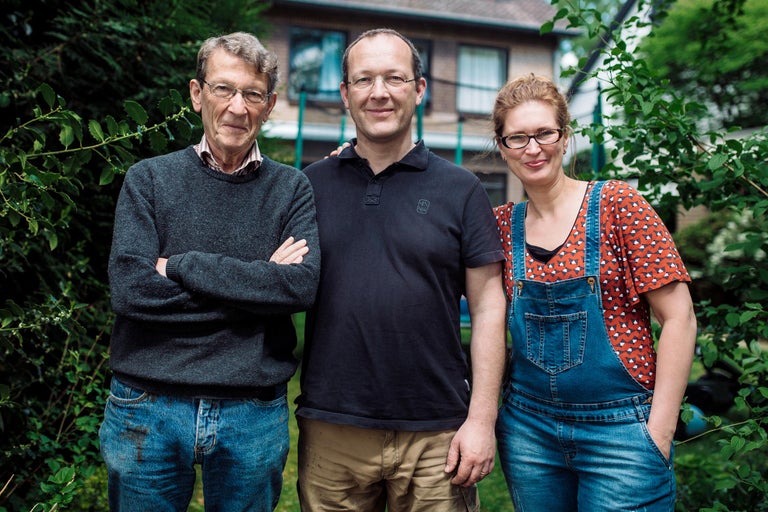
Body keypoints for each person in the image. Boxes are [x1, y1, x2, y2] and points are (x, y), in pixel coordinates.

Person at [99, 32, 320, 511]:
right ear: (198, 94)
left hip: (251, 413)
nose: (237, 107)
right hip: (146, 406)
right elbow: (132, 292)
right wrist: (256, 285)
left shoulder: (292, 189)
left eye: (252, 94)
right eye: (223, 89)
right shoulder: (148, 179)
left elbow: (298, 287)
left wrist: (180, 266)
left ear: (269, 105)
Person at [295, 28, 507, 512]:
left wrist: (481, 419)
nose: (380, 92)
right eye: (364, 79)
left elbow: (490, 306)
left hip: (437, 431)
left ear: (419, 88)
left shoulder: (462, 190)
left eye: (394, 77)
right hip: (333, 426)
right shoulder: (308, 186)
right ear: (345, 94)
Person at [491, 74, 698, 511]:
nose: (533, 148)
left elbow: (679, 317)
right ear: (502, 145)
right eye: (518, 138)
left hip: (621, 431)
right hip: (528, 431)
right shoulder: (499, 226)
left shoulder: (617, 206)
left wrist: (657, 432)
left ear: (565, 137)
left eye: (545, 133)